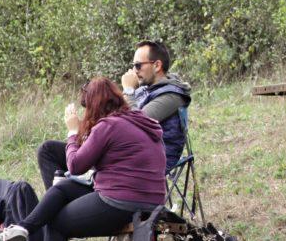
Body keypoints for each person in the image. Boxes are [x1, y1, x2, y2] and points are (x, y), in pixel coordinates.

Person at [0, 77, 167, 241]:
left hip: (122, 200)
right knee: (62, 189)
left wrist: (72, 131)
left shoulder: (108, 126)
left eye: (87, 106)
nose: (86, 112)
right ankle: (23, 228)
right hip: (149, 198)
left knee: (55, 222)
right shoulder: (137, 120)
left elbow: (76, 164)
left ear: (94, 105)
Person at [36, 40, 191, 188]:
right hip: (123, 150)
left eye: (138, 65)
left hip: (144, 161)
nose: (134, 71)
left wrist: (128, 90)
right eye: (133, 66)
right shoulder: (148, 88)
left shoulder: (171, 96)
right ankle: (63, 199)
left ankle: (72, 198)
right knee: (48, 150)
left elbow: (137, 123)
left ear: (157, 65)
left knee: (72, 165)